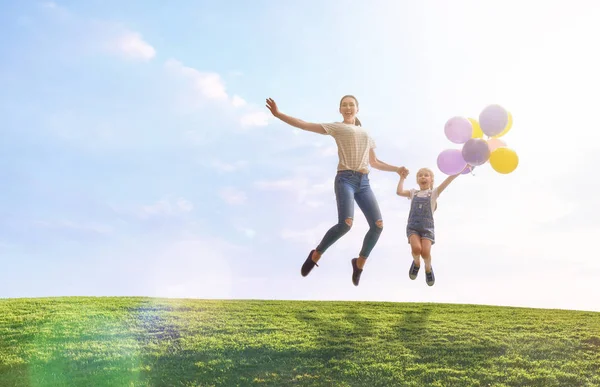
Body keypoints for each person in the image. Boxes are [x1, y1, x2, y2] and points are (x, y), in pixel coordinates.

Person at [266, 95, 408, 286]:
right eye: (344, 105)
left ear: (358, 108)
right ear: (340, 110)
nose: (348, 107)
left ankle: (359, 263)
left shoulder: (366, 133)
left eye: (351, 105)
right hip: (345, 180)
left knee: (378, 225)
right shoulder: (337, 127)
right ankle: (316, 254)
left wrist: (397, 169)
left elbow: (375, 162)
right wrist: (278, 114)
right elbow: (304, 124)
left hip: (364, 182)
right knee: (346, 224)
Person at [395, 167, 463, 286]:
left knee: (425, 253)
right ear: (417, 180)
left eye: (426, 175)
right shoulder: (413, 193)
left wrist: (461, 168)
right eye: (420, 175)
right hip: (413, 227)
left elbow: (449, 179)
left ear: (431, 180)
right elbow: (399, 192)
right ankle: (416, 264)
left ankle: (428, 268)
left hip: (427, 228)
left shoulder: (434, 193)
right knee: (416, 249)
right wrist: (402, 178)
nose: (423, 177)